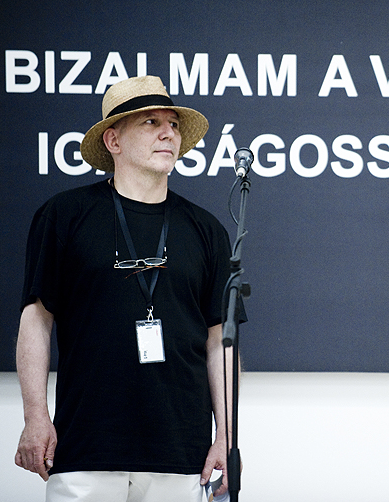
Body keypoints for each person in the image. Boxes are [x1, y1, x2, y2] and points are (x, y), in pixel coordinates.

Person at [15, 75, 235, 501]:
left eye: (173, 124)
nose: (168, 133)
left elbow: (219, 342)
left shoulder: (207, 229)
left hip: (182, 453)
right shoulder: (64, 215)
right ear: (113, 140)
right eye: (151, 122)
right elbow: (36, 319)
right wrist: (35, 417)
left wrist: (226, 435)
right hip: (86, 446)